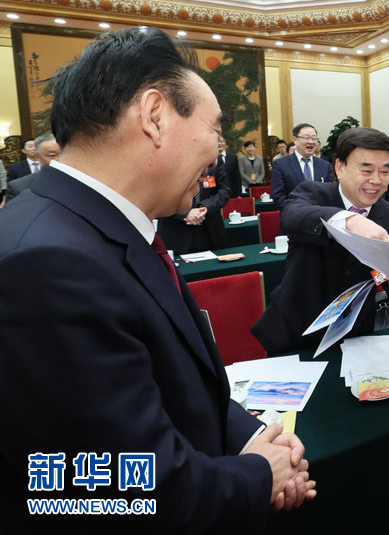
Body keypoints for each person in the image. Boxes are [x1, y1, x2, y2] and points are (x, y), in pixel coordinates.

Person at [0, 26, 315, 532]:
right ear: (154, 116)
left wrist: (251, 436)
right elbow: (120, 488)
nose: (216, 151)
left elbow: (174, 384)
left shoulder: (102, 225)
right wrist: (260, 474)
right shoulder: (47, 264)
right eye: (215, 130)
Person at [252, 127, 389, 356]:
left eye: (384, 171)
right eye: (366, 170)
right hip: (297, 329)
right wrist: (350, 220)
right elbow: (292, 216)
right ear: (340, 168)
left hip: (357, 335)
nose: (376, 180)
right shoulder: (312, 193)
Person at [156, 149, 231, 254]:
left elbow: (225, 191)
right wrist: (186, 212)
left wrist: (205, 207)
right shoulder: (164, 158)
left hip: (210, 232)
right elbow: (158, 194)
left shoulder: (214, 158)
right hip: (176, 233)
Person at [271, 123, 333, 210]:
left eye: (314, 138)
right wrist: (299, 212)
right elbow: (278, 196)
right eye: (306, 138)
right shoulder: (281, 164)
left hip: (321, 215)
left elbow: (330, 193)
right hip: (294, 215)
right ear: (295, 139)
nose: (311, 141)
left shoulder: (325, 165)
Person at [5, 133, 61, 202]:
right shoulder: (18, 187)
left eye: (64, 154)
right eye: (52, 155)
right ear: (37, 157)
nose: (60, 159)